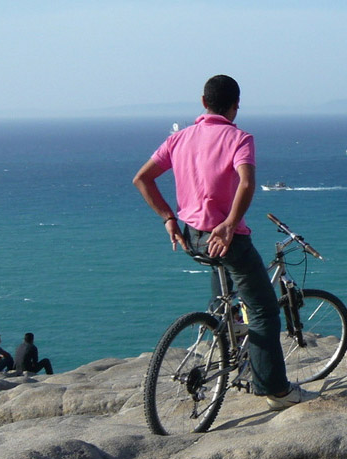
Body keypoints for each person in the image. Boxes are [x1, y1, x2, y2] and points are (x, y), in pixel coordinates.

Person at [132, 74, 310, 410]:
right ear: (236, 106)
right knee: (264, 310)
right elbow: (247, 183)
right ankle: (276, 391)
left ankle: (226, 338)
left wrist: (168, 217)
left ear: (203, 102)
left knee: (224, 294)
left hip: (193, 238)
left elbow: (142, 179)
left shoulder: (178, 139)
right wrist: (229, 224)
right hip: (227, 239)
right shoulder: (239, 138)